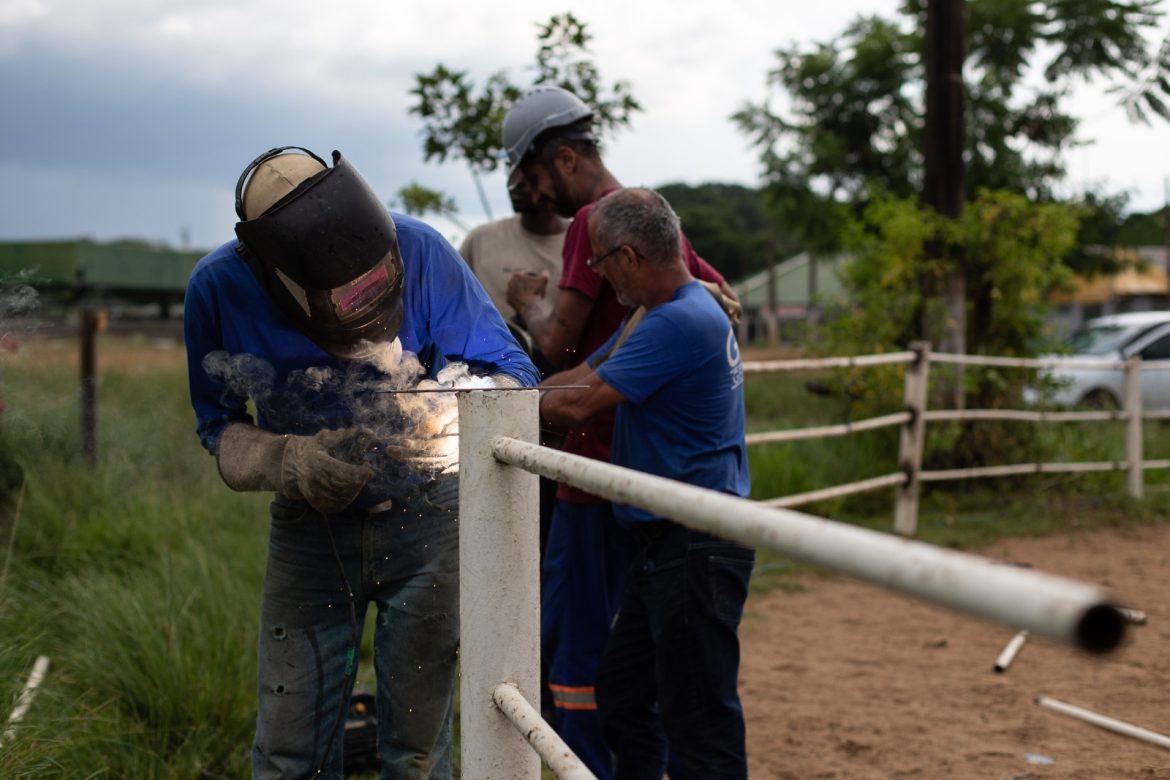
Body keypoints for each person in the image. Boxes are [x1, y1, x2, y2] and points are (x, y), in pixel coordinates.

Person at [183, 146, 539, 779]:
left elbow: (512, 375)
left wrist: (443, 414)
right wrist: (286, 460)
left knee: (417, 755)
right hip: (310, 534)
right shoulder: (219, 289)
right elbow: (220, 427)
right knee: (289, 753)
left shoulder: (421, 250)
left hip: (431, 521)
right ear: (272, 271)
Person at [500, 86, 742, 778]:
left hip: (626, 491)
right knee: (639, 677)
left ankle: (586, 766)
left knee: (609, 665)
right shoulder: (656, 240)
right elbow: (720, 301)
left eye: (535, 177)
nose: (539, 199)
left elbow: (569, 366)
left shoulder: (604, 232)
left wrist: (530, 307)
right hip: (652, 502)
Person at [540, 187, 754, 779]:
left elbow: (580, 404)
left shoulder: (677, 323)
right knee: (626, 692)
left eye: (601, 262)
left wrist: (490, 411)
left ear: (629, 257)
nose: (599, 276)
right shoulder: (654, 316)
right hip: (669, 544)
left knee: (700, 720)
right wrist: (505, 392)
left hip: (695, 544)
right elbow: (580, 373)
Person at [458, 173, 568, 346]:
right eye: (512, 170)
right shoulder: (480, 240)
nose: (517, 183)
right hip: (489, 366)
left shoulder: (580, 242)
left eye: (529, 170)